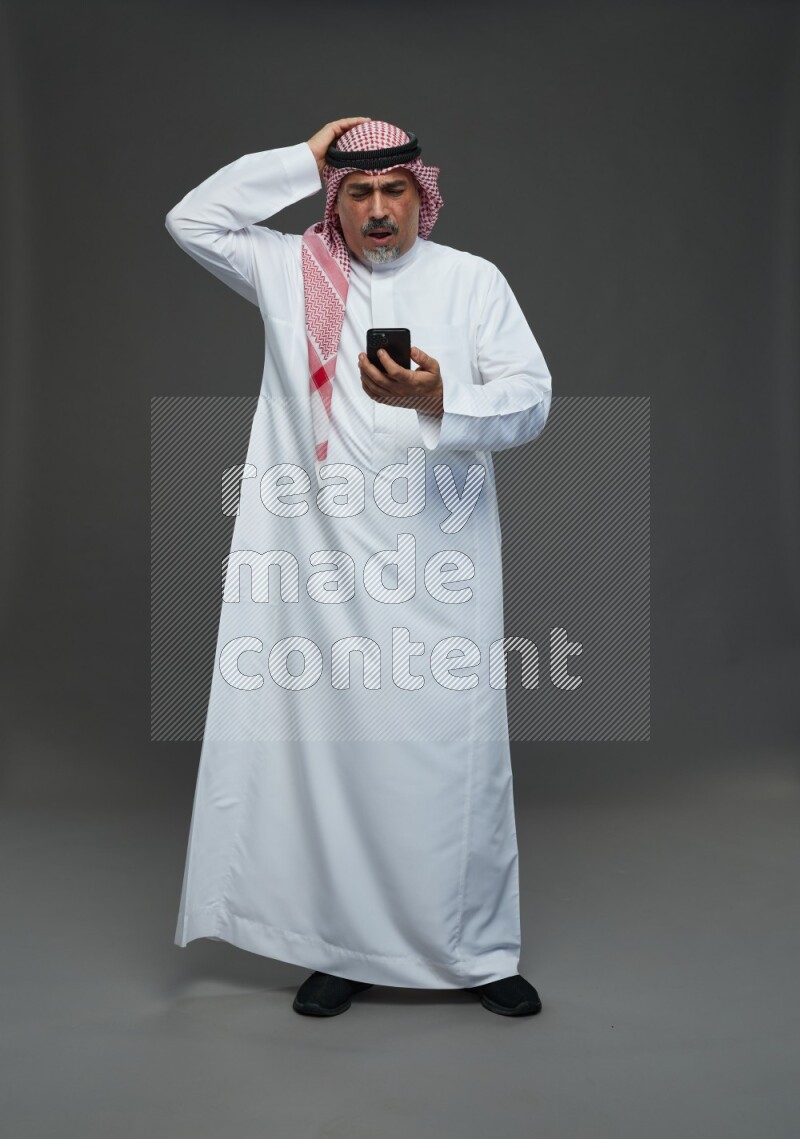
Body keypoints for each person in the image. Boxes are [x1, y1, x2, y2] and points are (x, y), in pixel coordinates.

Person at [165, 117, 553, 1018]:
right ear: (334, 201)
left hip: (438, 565)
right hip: (319, 576)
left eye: (395, 192)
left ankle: (476, 951)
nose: (379, 211)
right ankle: (342, 945)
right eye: (357, 192)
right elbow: (195, 221)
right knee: (333, 760)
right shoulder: (291, 269)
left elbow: (531, 399)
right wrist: (306, 155)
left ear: (424, 195)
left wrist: (439, 397)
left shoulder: (470, 281)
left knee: (454, 763)